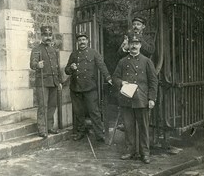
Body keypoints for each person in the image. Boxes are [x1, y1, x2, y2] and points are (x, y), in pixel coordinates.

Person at [112, 32, 158, 164]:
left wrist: (152, 99)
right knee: (128, 126)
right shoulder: (122, 61)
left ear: (140, 45)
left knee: (143, 128)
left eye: (137, 44)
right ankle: (129, 151)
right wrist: (121, 82)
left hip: (142, 99)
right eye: (132, 43)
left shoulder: (147, 61)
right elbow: (115, 77)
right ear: (129, 45)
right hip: (127, 99)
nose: (134, 46)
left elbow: (153, 82)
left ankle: (145, 153)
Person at [65, 32, 113, 142]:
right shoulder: (74, 54)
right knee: (79, 112)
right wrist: (71, 68)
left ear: (87, 41)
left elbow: (102, 66)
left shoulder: (94, 53)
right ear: (77, 42)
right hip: (76, 88)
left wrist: (108, 78)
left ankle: (99, 134)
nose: (82, 42)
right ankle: (81, 132)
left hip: (90, 88)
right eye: (80, 40)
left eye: (83, 39)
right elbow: (66, 70)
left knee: (94, 111)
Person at [30, 26, 62, 138]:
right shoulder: (36, 49)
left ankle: (50, 127)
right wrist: (37, 65)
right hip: (42, 82)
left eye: (49, 35)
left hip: (53, 82)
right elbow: (32, 64)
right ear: (41, 36)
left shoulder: (53, 50)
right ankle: (42, 129)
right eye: (45, 35)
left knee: (52, 105)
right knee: (43, 106)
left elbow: (57, 67)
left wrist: (60, 81)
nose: (48, 37)